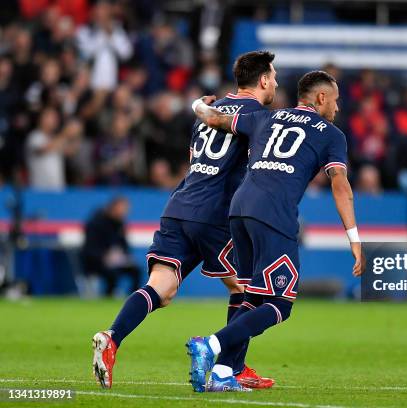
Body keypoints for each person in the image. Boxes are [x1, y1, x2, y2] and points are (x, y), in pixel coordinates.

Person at [91, 51, 278, 390]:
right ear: (263, 80)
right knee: (248, 289)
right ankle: (229, 369)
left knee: (161, 287)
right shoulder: (259, 117)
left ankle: (112, 337)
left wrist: (196, 105)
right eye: (274, 77)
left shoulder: (207, 110)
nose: (276, 83)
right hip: (216, 214)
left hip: (179, 205)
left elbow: (196, 158)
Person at [187, 70, 364, 392]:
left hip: (239, 210)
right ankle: (210, 345)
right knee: (280, 303)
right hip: (274, 213)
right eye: (335, 100)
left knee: (252, 296)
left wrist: (197, 103)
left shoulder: (265, 117)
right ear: (322, 98)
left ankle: (224, 373)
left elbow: (213, 119)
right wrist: (354, 238)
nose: (337, 108)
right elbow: (340, 185)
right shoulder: (331, 134)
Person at [81, 197, 140, 296]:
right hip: (96, 262)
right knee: (112, 273)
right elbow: (90, 249)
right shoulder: (95, 223)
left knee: (136, 270)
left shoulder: (119, 224)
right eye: (122, 209)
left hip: (115, 261)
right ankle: (109, 295)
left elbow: (124, 245)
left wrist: (125, 257)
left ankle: (134, 298)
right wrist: (105, 257)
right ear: (113, 207)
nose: (125, 212)